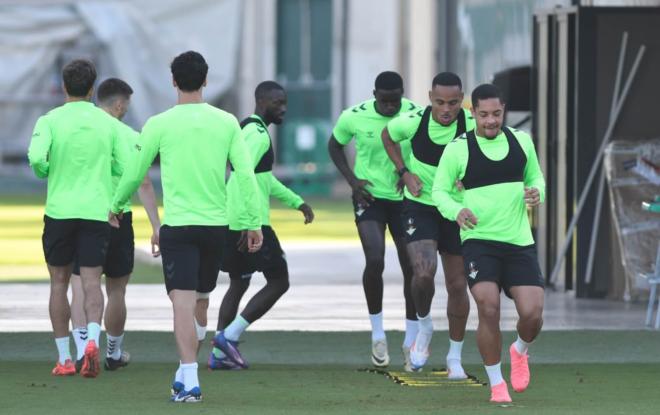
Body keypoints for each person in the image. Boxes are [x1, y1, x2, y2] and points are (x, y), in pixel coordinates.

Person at [109, 51, 262, 403]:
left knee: (182, 304)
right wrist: (253, 222)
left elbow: (135, 172)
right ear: (206, 80)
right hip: (215, 227)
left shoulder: (158, 123)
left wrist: (116, 205)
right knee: (201, 304)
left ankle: (188, 377)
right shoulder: (226, 123)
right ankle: (186, 373)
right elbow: (244, 174)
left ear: (174, 81)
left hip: (177, 227)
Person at [432, 83, 545, 403]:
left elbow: (536, 178)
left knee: (533, 314)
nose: (491, 120)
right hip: (479, 241)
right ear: (473, 113)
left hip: (519, 242)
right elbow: (439, 191)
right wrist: (456, 210)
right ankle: (497, 385)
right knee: (488, 306)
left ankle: (519, 350)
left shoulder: (522, 141)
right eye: (484, 115)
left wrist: (538, 192)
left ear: (504, 110)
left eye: (496, 114)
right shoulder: (458, 148)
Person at [28, 59, 130, 378]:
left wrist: (47, 170)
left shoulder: (50, 120)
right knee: (90, 282)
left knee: (59, 283)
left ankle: (64, 358)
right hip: (95, 212)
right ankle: (91, 343)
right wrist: (112, 188)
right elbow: (126, 165)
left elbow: (35, 158)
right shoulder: (107, 123)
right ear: (90, 89)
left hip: (59, 210)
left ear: (63, 86)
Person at [209, 81, 314, 370]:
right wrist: (250, 225)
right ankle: (228, 338)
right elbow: (242, 178)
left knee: (239, 282)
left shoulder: (251, 130)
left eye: (284, 102)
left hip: (236, 221)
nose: (283, 108)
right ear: (261, 101)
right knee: (280, 281)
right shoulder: (256, 134)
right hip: (249, 222)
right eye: (277, 103)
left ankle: (219, 355)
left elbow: (263, 180)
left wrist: (297, 202)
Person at [381, 72, 475, 376]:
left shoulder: (471, 124)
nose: (446, 109)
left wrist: (469, 177)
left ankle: (455, 358)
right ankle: (423, 327)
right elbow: (387, 136)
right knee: (423, 273)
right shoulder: (413, 121)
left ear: (462, 100)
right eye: (439, 102)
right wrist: (404, 172)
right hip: (420, 205)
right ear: (429, 98)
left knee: (458, 285)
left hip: (455, 211)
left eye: (452, 103)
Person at [328, 71, 420, 370]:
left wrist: (407, 173)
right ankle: (378, 334)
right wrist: (352, 181)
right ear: (375, 95)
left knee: (412, 267)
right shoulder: (354, 116)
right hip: (369, 198)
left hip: (405, 199)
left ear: (403, 95)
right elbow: (334, 145)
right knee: (376, 259)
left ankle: (411, 339)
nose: (391, 107)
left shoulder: (415, 114)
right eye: (385, 101)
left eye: (395, 100)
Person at [68, 78, 161, 372]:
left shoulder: (82, 129)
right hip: (118, 217)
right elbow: (143, 182)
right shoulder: (128, 135)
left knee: (80, 284)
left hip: (83, 215)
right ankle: (113, 352)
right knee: (117, 289)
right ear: (120, 105)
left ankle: (83, 348)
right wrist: (157, 226)